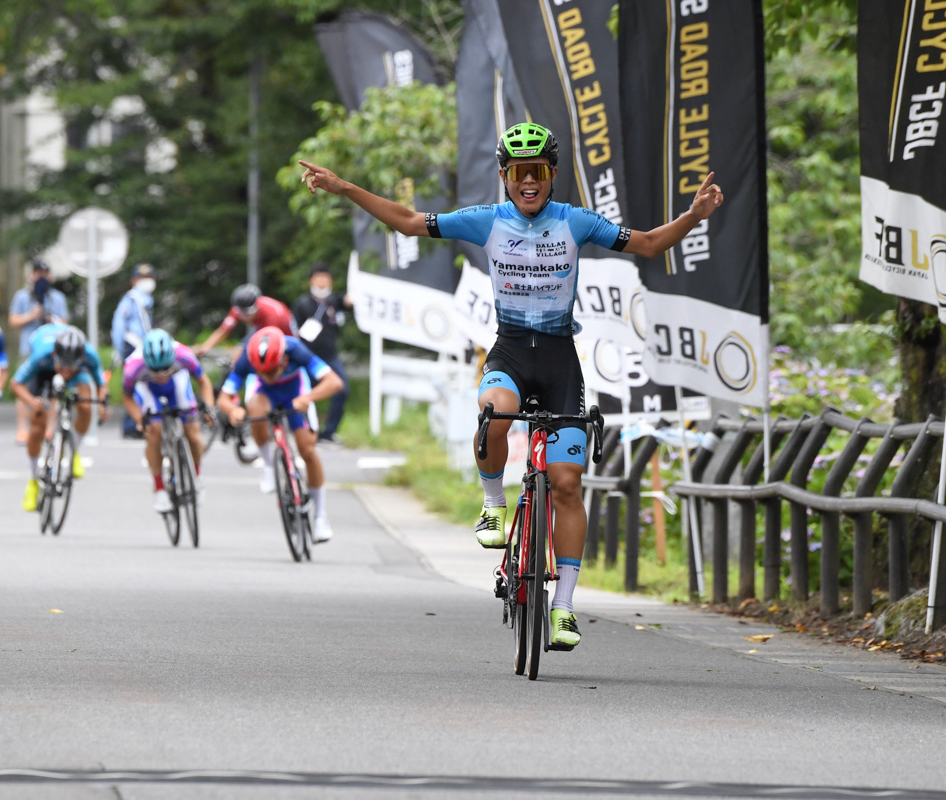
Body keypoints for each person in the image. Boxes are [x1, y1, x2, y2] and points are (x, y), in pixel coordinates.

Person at [298, 122, 724, 649]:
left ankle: (564, 606)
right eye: (519, 172)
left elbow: (651, 244)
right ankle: (494, 503)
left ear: (551, 177)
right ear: (504, 176)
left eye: (537, 173)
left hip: (561, 361)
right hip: (511, 352)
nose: (528, 182)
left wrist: (693, 216)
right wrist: (345, 189)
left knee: (568, 483)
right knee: (494, 413)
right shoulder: (486, 221)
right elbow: (409, 222)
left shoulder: (576, 222)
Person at [216, 326, 344, 543]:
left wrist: (309, 398)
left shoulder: (295, 350)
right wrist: (233, 410)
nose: (268, 376)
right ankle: (267, 464)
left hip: (296, 392)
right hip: (264, 395)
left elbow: (334, 382)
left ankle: (321, 516)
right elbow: (224, 398)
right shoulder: (247, 357)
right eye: (262, 372)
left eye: (272, 371)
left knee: (308, 450)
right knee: (254, 410)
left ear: (284, 359)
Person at [10, 325, 109, 512]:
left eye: (71, 364)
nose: (66, 370)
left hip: (78, 376)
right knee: (37, 425)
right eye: (62, 364)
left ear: (81, 358)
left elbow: (101, 385)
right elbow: (15, 384)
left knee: (86, 404)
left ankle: (73, 450)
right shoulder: (42, 355)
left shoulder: (90, 355)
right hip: (45, 373)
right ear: (55, 355)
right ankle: (33, 482)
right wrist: (33, 401)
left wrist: (103, 405)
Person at [122, 329, 214, 512]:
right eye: (155, 370)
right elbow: (128, 397)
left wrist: (209, 409)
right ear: (146, 363)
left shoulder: (184, 355)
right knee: (153, 430)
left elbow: (203, 382)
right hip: (148, 389)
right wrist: (140, 419)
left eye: (166, 369)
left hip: (177, 384)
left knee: (193, 433)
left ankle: (197, 477)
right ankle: (159, 489)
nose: (162, 375)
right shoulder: (133, 367)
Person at [9, 259, 69, 443]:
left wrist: (52, 319)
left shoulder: (57, 298)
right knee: (24, 387)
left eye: (44, 273)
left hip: (52, 350)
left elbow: (65, 324)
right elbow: (13, 321)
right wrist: (32, 315)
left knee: (54, 390)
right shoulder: (22, 297)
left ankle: (49, 430)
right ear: (31, 275)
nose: (41, 277)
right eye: (37, 273)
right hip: (29, 349)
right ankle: (22, 429)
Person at [291, 263, 352, 444]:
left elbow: (350, 302)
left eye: (326, 277)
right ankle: (309, 430)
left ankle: (329, 432)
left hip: (330, 356)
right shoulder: (302, 303)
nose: (322, 281)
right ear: (311, 280)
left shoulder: (334, 301)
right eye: (318, 277)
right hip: (307, 357)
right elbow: (294, 329)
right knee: (306, 393)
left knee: (341, 389)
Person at [111, 263, 157, 438]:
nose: (146, 281)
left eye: (149, 278)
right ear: (133, 280)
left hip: (144, 347)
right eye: (142, 278)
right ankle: (131, 426)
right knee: (134, 386)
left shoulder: (146, 299)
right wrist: (118, 349)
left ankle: (139, 423)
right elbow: (118, 325)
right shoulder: (131, 299)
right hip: (132, 347)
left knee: (145, 385)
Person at [191, 284, 296, 358]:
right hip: (262, 328)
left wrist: (244, 352)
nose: (243, 318)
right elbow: (223, 330)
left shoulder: (272, 316)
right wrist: (205, 347)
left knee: (248, 354)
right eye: (241, 315)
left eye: (247, 315)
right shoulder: (238, 308)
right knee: (239, 352)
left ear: (256, 308)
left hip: (284, 334)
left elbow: (268, 344)